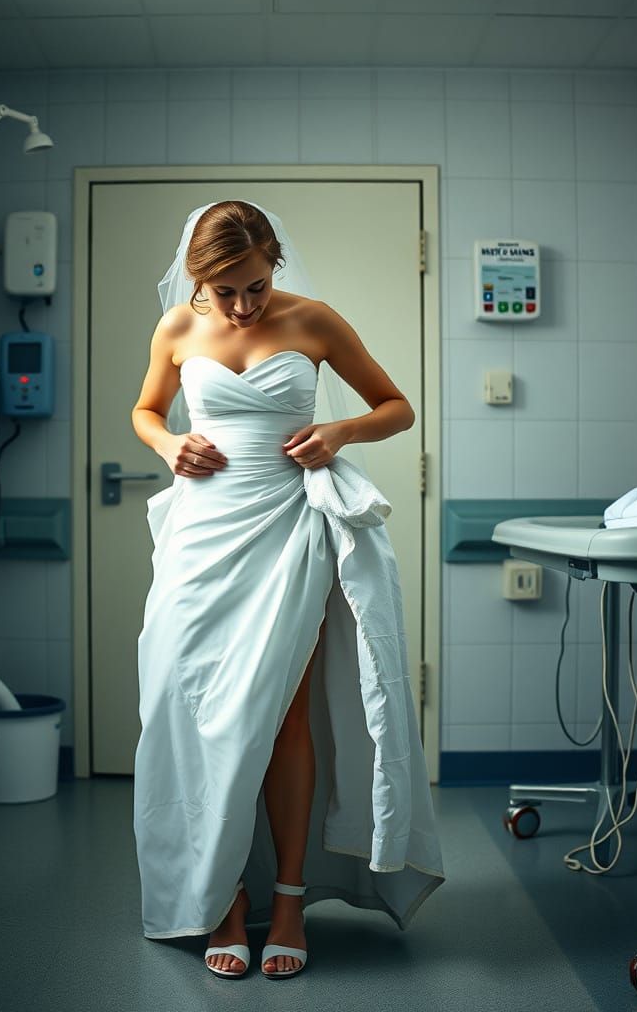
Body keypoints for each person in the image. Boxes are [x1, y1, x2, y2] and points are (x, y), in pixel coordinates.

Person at [131, 200, 444, 981]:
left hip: (288, 529)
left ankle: (289, 898)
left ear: (275, 260)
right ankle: (225, 898)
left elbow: (397, 407)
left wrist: (340, 433)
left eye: (256, 286)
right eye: (225, 290)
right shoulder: (177, 328)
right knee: (186, 705)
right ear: (200, 278)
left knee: (286, 717)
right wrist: (170, 442)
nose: (241, 305)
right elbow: (144, 411)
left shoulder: (314, 322)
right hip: (201, 540)